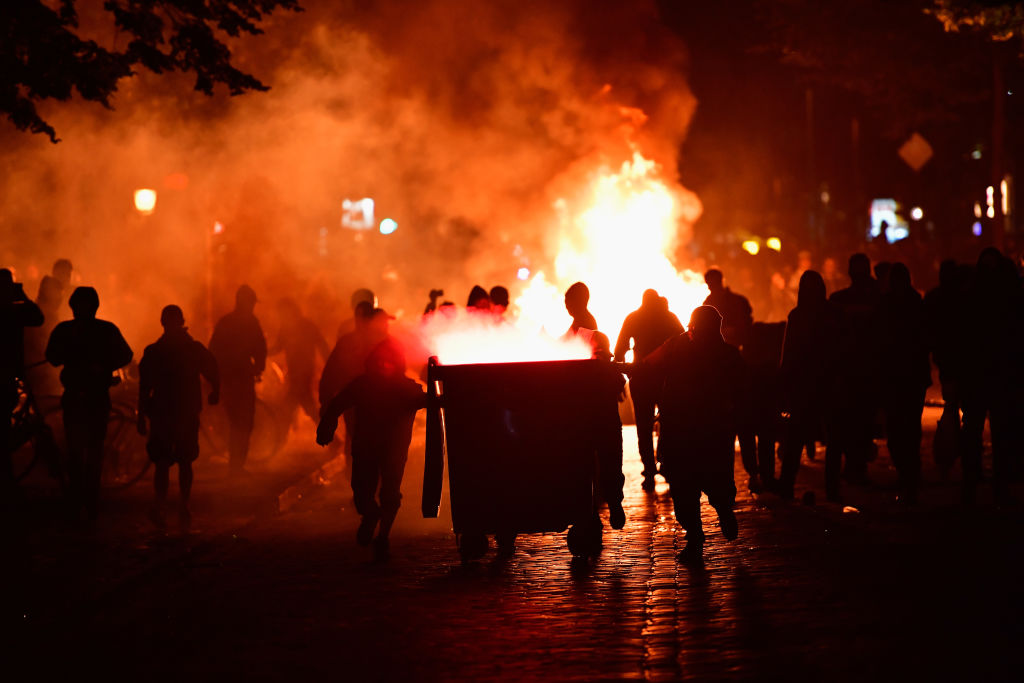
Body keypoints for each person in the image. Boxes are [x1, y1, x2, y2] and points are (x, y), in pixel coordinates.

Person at [644, 306, 745, 563]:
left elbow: (648, 366)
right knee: (698, 484)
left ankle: (709, 524)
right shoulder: (722, 354)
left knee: (696, 486)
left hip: (695, 431)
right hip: (700, 432)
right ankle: (708, 524)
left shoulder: (689, 349)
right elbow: (648, 365)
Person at [317, 338, 426, 561]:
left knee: (390, 494)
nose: (384, 366)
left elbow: (432, 402)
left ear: (398, 364)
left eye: (389, 362)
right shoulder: (361, 385)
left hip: (393, 451)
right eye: (380, 361)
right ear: (372, 362)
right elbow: (337, 404)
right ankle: (370, 514)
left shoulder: (407, 389)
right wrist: (327, 426)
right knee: (361, 492)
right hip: (365, 447)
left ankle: (383, 536)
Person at [45, 286, 133, 519]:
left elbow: (52, 357)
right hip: (95, 396)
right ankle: (90, 501)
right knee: (93, 449)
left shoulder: (65, 330)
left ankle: (77, 500)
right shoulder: (106, 330)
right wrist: (103, 366)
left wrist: (75, 359)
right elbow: (126, 355)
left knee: (77, 449)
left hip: (76, 396)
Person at [137, 305, 220, 529]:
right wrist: (215, 392)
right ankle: (182, 504)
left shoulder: (155, 351)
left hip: (164, 413)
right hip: (184, 411)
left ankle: (163, 504)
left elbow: (144, 388)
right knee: (183, 460)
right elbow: (213, 369)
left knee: (164, 462)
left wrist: (141, 415)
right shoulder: (191, 349)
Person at [614, 288, 683, 490]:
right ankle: (667, 464)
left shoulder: (633, 318)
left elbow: (620, 348)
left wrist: (621, 372)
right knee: (669, 422)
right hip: (666, 378)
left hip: (642, 377)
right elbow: (683, 342)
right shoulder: (669, 317)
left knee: (643, 427)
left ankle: (650, 471)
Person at [777, 271, 836, 500]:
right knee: (832, 439)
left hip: (805, 383)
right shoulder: (832, 313)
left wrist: (784, 382)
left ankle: (786, 485)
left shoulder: (799, 315)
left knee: (796, 437)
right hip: (827, 382)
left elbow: (789, 353)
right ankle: (832, 489)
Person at [826, 253, 880, 493]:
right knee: (857, 421)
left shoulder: (840, 301)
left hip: (858, 369)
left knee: (857, 421)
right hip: (854, 370)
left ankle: (854, 466)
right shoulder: (841, 301)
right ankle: (854, 466)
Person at [877, 263, 930, 504]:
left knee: (899, 427)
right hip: (908, 376)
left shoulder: (892, 304)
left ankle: (907, 473)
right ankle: (910, 473)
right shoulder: (914, 304)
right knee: (908, 427)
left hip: (898, 375)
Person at [209, 285, 267, 477]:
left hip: (227, 379)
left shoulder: (225, 322)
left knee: (236, 423)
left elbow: (212, 350)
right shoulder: (251, 322)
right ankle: (236, 466)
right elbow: (260, 348)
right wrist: (258, 367)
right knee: (244, 423)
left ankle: (235, 466)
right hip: (241, 378)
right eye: (251, 302)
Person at [1, 270, 44, 493]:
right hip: (7, 376)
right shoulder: (13, 311)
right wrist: (22, 294)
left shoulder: (12, 310)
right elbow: (38, 317)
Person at [271, 297, 329, 428]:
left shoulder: (307, 326)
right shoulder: (286, 328)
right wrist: (264, 352)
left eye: (282, 312)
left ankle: (277, 439)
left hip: (304, 372)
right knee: (308, 407)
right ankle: (332, 438)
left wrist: (331, 364)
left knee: (289, 406)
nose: (281, 316)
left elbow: (322, 345)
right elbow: (278, 347)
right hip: (294, 372)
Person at [592, 332, 626, 530]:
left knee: (595, 468)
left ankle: (607, 505)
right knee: (611, 464)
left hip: (590, 424)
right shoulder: (609, 368)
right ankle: (614, 503)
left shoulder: (586, 368)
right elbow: (619, 384)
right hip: (608, 422)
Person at [703, 268, 753, 348]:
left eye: (711, 284)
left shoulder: (738, 301)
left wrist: (735, 331)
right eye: (709, 284)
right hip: (718, 348)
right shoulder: (708, 304)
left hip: (737, 345)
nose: (710, 287)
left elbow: (748, 324)